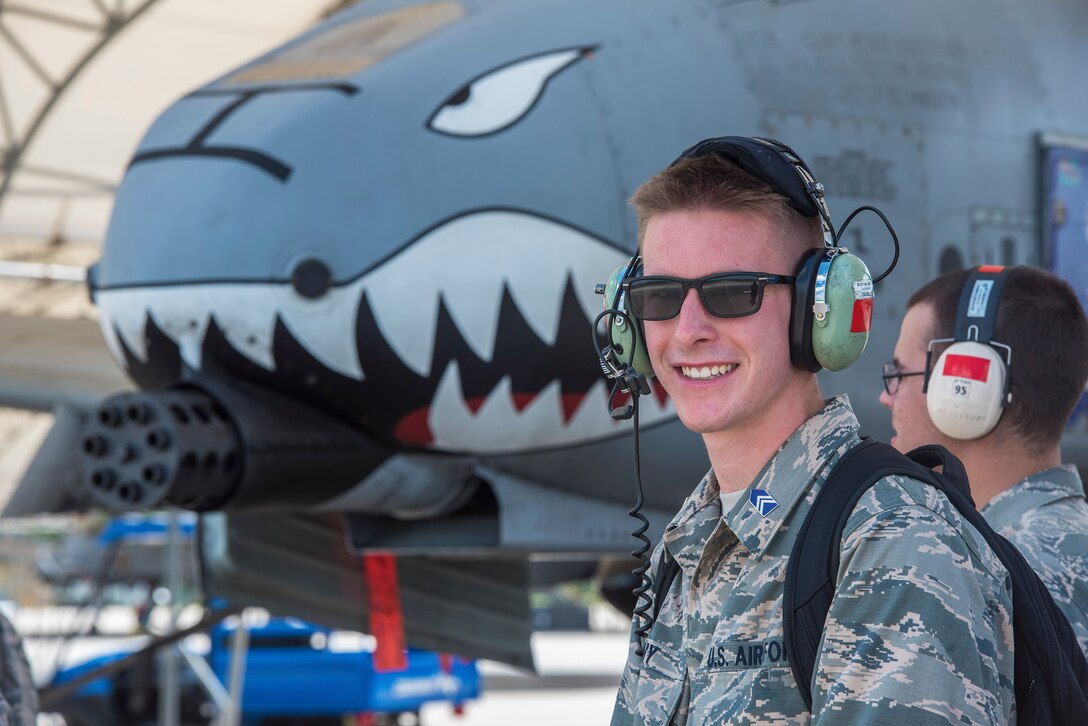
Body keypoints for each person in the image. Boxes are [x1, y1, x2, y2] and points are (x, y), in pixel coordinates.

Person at [608, 136, 1014, 724]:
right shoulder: (687, 547)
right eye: (660, 296)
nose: (688, 329)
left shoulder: (892, 540)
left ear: (817, 310)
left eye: (731, 293)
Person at [880, 264, 1088, 653]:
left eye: (898, 373)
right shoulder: (1060, 546)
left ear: (967, 389)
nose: (886, 396)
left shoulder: (998, 576)